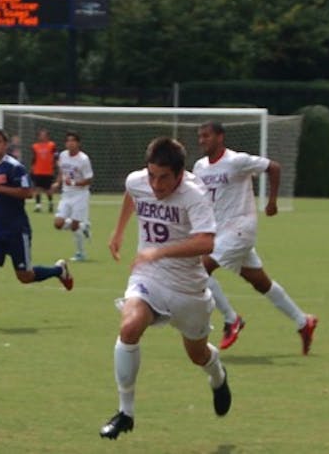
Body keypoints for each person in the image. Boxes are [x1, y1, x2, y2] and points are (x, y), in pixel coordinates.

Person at [101, 136, 230, 440]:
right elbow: (133, 193)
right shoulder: (138, 181)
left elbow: (206, 242)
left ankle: (218, 376)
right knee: (129, 327)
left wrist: (158, 251)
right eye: (152, 176)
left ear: (180, 174)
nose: (156, 185)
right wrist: (118, 232)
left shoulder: (194, 195)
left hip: (188, 289)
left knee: (197, 354)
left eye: (164, 178)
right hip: (149, 277)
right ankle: (125, 413)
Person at [193, 121, 318, 354]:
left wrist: (271, 202)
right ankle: (303, 321)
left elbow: (274, 167)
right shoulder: (199, 167)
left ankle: (231, 319)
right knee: (261, 282)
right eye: (200, 137)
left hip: (241, 229)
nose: (202, 140)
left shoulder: (236, 161)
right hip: (220, 232)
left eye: (206, 136)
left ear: (220, 137)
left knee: (199, 270)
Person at [0, 128, 73, 328]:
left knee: (25, 277)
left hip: (17, 230)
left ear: (5, 145)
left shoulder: (14, 167)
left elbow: (28, 192)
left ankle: (58, 270)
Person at [51, 131, 93, 261]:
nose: (70, 143)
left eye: (73, 141)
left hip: (80, 195)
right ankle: (84, 226)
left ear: (78, 143)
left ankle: (80, 254)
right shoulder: (63, 155)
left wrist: (74, 182)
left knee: (74, 226)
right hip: (66, 194)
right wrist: (58, 183)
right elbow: (62, 171)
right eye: (68, 140)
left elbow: (89, 179)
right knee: (58, 224)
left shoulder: (83, 159)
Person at [30, 128, 57, 212]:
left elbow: (56, 155)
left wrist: (55, 164)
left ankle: (51, 203)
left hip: (48, 171)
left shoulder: (51, 145)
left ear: (47, 136)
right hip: (38, 170)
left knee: (48, 189)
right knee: (37, 188)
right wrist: (32, 167)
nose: (42, 137)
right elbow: (34, 158)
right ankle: (38, 205)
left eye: (44, 135)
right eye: (41, 135)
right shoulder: (35, 146)